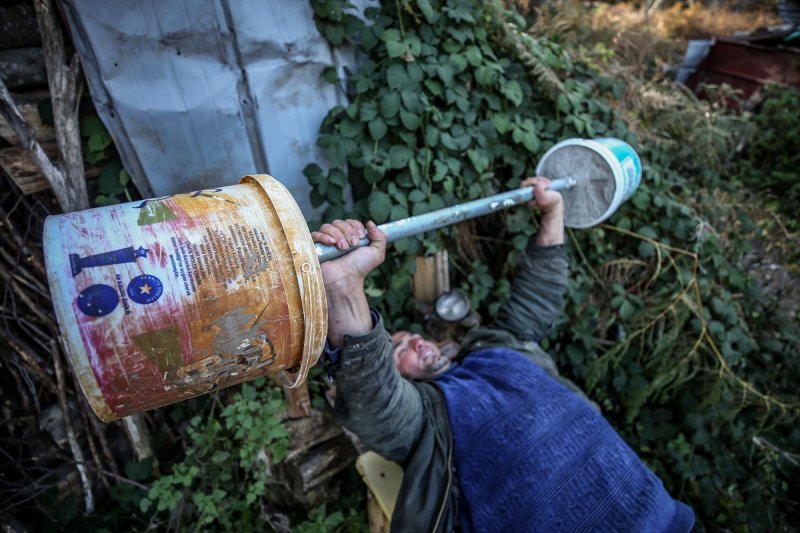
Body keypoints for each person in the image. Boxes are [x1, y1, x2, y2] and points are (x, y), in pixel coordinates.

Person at [312, 177, 695, 532]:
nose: (417, 343)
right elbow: (374, 395)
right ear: (398, 377)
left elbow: (536, 297)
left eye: (414, 337)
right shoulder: (426, 422)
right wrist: (344, 286)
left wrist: (553, 212)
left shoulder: (498, 348)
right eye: (400, 351)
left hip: (662, 517)